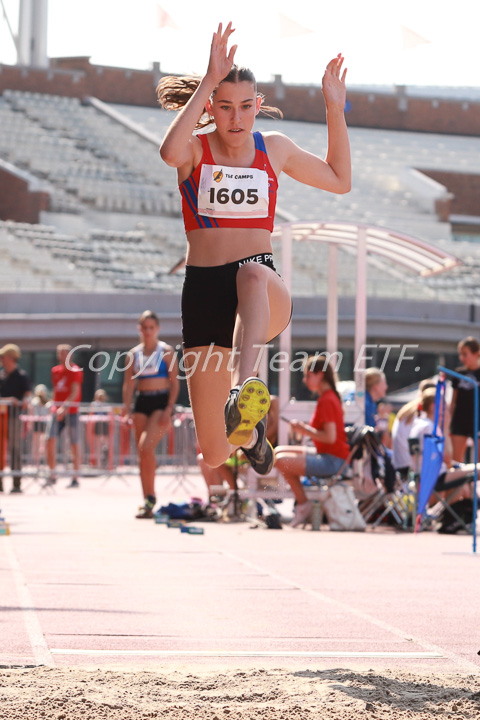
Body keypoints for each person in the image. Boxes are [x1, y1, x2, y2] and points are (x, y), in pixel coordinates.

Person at [157, 22, 350, 480]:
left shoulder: (274, 150)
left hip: (261, 291)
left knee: (250, 273)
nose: (236, 119)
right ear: (210, 107)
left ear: (258, 107)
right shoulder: (195, 152)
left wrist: (334, 109)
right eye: (224, 107)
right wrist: (208, 77)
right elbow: (167, 153)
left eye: (246, 107)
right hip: (204, 293)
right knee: (216, 453)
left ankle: (245, 389)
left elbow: (339, 180)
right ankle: (251, 434)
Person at [274, 354, 350, 528]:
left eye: (308, 375)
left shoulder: (327, 400)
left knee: (280, 460)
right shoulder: (328, 397)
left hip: (333, 460)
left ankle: (302, 503)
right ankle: (302, 503)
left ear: (320, 375)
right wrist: (305, 429)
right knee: (277, 453)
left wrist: (304, 429)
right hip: (330, 455)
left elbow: (329, 438)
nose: (304, 379)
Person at [122, 310, 180, 519]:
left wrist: (169, 408)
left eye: (151, 328)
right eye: (144, 328)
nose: (148, 332)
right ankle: (147, 499)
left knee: (146, 447)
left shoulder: (165, 351)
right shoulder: (133, 354)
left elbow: (175, 382)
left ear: (157, 329)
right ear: (140, 329)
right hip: (142, 402)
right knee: (143, 454)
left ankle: (151, 496)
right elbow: (129, 385)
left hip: (161, 402)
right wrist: (126, 408)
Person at [198, 394, 279, 501]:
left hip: (261, 448)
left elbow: (275, 428)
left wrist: (253, 443)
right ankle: (225, 497)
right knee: (208, 459)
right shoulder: (235, 400)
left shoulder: (272, 401)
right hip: (244, 448)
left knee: (217, 459)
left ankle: (233, 496)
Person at [46, 344, 84, 488]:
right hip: (57, 411)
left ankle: (75, 476)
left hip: (72, 411)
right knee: (50, 439)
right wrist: (54, 406)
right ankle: (52, 473)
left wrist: (64, 408)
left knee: (74, 443)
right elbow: (56, 391)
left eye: (64, 353)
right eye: (59, 353)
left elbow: (74, 392)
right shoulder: (55, 370)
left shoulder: (75, 370)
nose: (61, 356)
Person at [0, 344, 32, 493]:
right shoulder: (1, 376)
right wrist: (8, 399)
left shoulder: (21, 376)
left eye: (3, 357)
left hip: (13, 417)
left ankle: (16, 483)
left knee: (15, 449)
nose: (1, 360)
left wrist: (26, 400)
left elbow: (27, 393)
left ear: (11, 358)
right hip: (1, 417)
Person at [449, 336, 480, 463]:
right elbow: (453, 402)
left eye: (465, 354)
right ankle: (460, 484)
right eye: (460, 354)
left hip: (478, 421)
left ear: (477, 354)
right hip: (459, 421)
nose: (461, 358)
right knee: (456, 462)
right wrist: (448, 424)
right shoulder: (458, 374)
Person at [29, 384, 51, 467]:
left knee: (41, 444)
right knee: (37, 444)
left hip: (43, 423)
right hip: (38, 423)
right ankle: (37, 463)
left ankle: (40, 463)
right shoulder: (35, 401)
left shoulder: (46, 402)